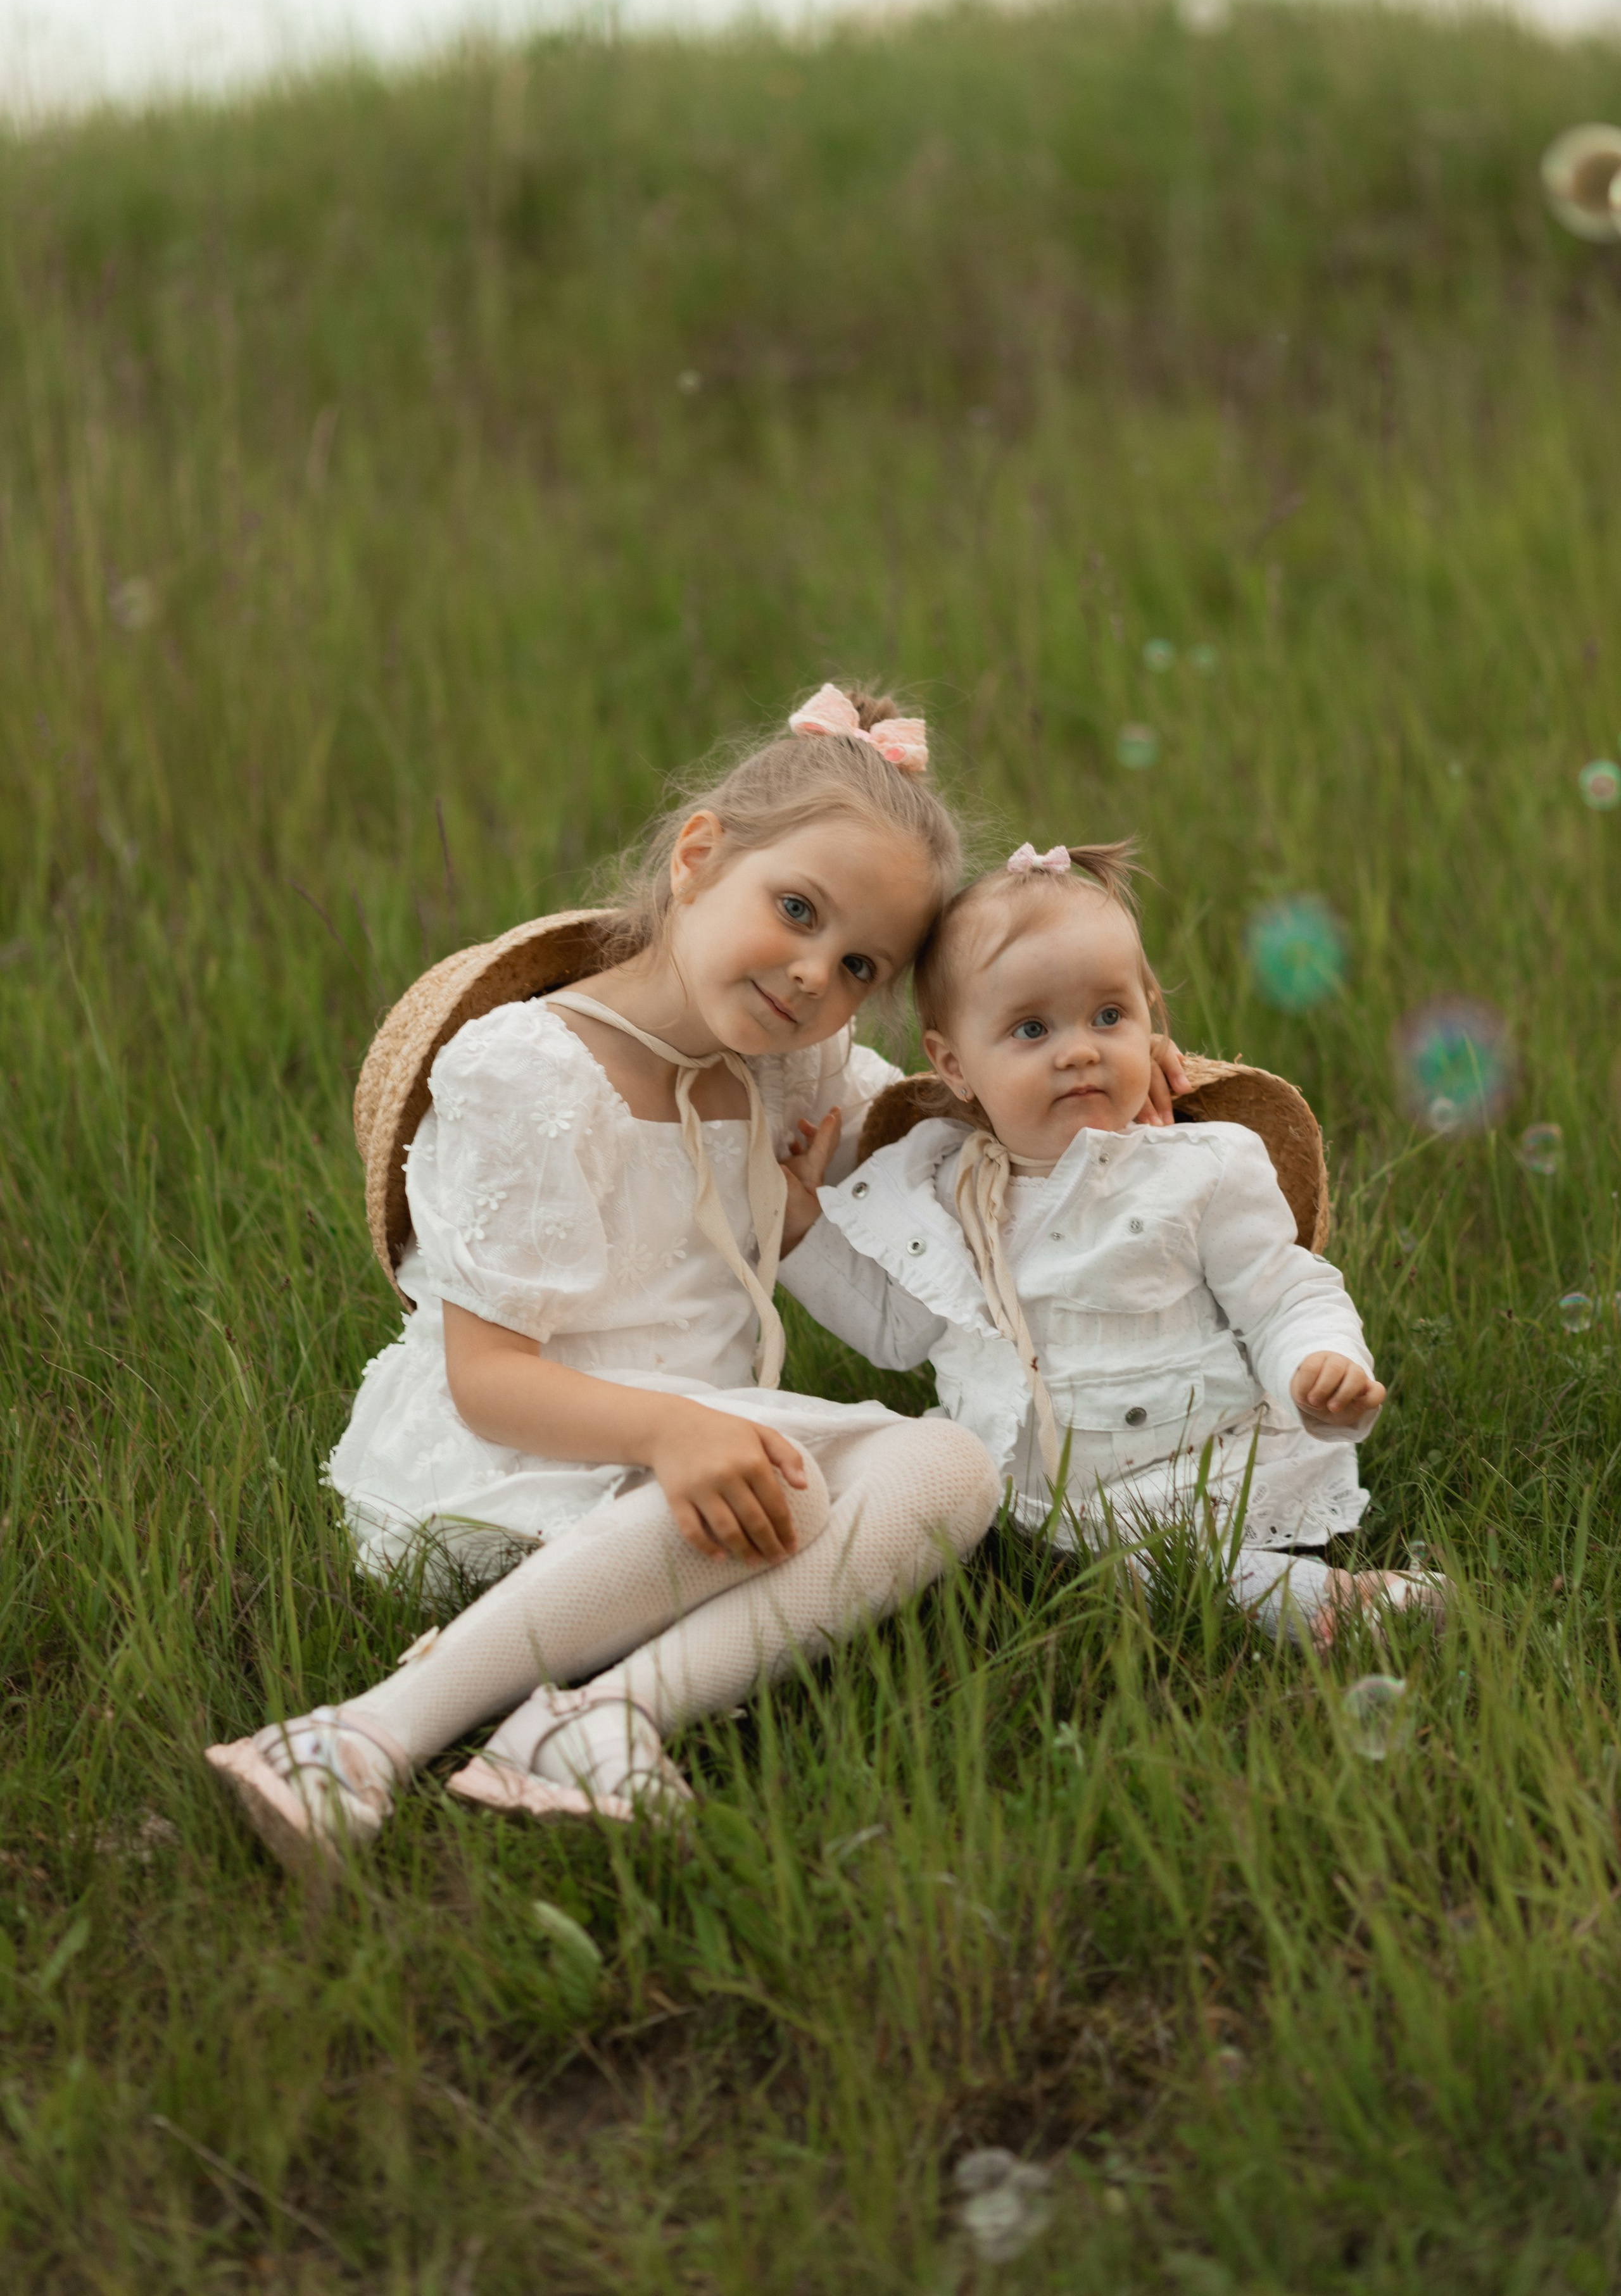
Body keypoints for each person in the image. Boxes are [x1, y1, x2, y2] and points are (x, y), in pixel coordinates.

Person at [213, 694, 1169, 1872]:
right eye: (797, 911)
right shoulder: (532, 1072)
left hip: (693, 1456)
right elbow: (489, 1384)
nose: (813, 974)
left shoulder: (791, 1064)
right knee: (800, 1480)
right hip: (524, 1459)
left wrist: (1103, 1066)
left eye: (859, 963)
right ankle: (357, 1734)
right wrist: (673, 1432)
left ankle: (600, 1718)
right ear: (700, 857)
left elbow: (965, 1119)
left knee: (951, 1469)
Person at [777, 839, 1444, 1645]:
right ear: (954, 1063)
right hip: (1024, 1498)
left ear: (1151, 1015)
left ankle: (1342, 1600)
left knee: (1167, 1562)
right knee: (954, 1526)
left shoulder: (1199, 1169)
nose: (1081, 1048)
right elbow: (895, 1329)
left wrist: (1316, 1364)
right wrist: (801, 1233)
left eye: (1108, 1016)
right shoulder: (938, 1192)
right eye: (1031, 1028)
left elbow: (1282, 1292)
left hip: (1195, 1474)